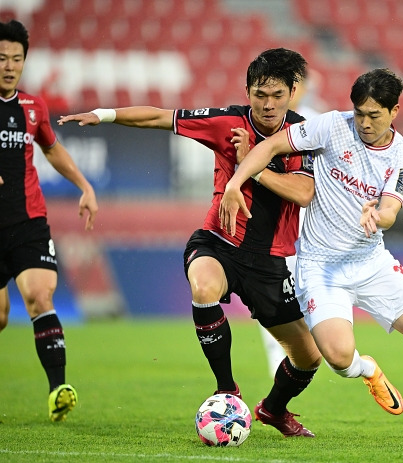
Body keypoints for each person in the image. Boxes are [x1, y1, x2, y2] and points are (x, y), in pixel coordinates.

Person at [58, 48, 322, 438]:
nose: (267, 104)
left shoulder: (304, 135)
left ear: (292, 92)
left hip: (269, 262)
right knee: (203, 286)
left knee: (309, 358)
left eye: (277, 95)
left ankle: (273, 409)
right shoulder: (227, 122)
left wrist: (251, 168)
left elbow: (303, 193)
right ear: (247, 91)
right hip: (218, 242)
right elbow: (160, 117)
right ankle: (226, 390)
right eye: (259, 94)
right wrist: (105, 115)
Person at [219, 68, 403, 442]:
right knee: (340, 359)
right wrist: (238, 179)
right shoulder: (330, 126)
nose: (364, 123)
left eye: (374, 115)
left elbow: (391, 208)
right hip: (320, 267)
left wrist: (380, 214)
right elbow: (273, 146)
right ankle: (367, 369)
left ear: (395, 112)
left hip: (371, 263)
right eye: (359, 113)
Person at [0, 19, 98, 422]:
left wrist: (84, 185)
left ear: (24, 62)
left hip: (27, 221)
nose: (8, 66)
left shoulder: (32, 107)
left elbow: (53, 151)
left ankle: (58, 388)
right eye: (2, 58)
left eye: (16, 59)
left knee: (40, 296)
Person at [258, 73, 325, 376]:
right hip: (277, 231)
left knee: (301, 304)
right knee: (276, 302)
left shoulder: (314, 123)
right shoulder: (263, 122)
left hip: (306, 232)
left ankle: (300, 360)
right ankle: (281, 365)